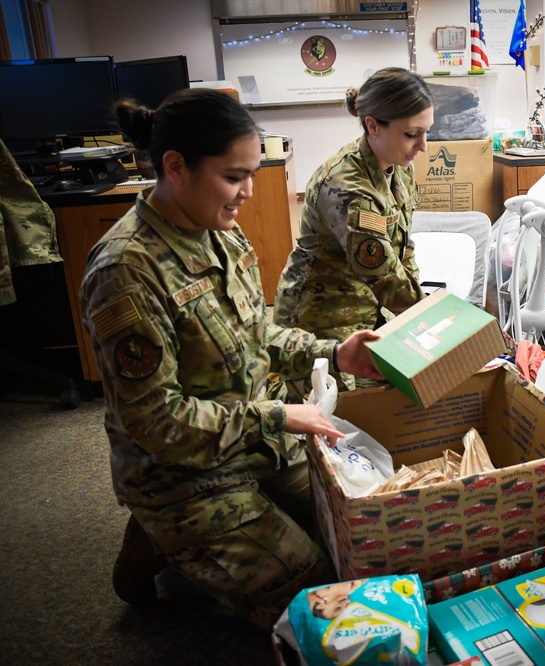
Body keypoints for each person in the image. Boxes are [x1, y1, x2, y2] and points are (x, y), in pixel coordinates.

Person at [79, 88, 383, 630]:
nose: (248, 191)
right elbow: (156, 421)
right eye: (234, 175)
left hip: (253, 440)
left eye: (252, 173)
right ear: (175, 166)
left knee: (362, 532)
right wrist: (279, 416)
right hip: (178, 471)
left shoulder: (220, 230)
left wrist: (335, 353)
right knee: (312, 589)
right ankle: (158, 529)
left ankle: (174, 539)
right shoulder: (126, 271)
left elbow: (255, 332)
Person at [272, 67, 434, 392]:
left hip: (367, 312)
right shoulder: (346, 187)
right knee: (331, 425)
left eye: (427, 131)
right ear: (373, 126)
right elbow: (385, 276)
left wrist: (426, 308)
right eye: (412, 134)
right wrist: (438, 321)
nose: (423, 146)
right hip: (321, 323)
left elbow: (403, 248)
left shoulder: (399, 169)